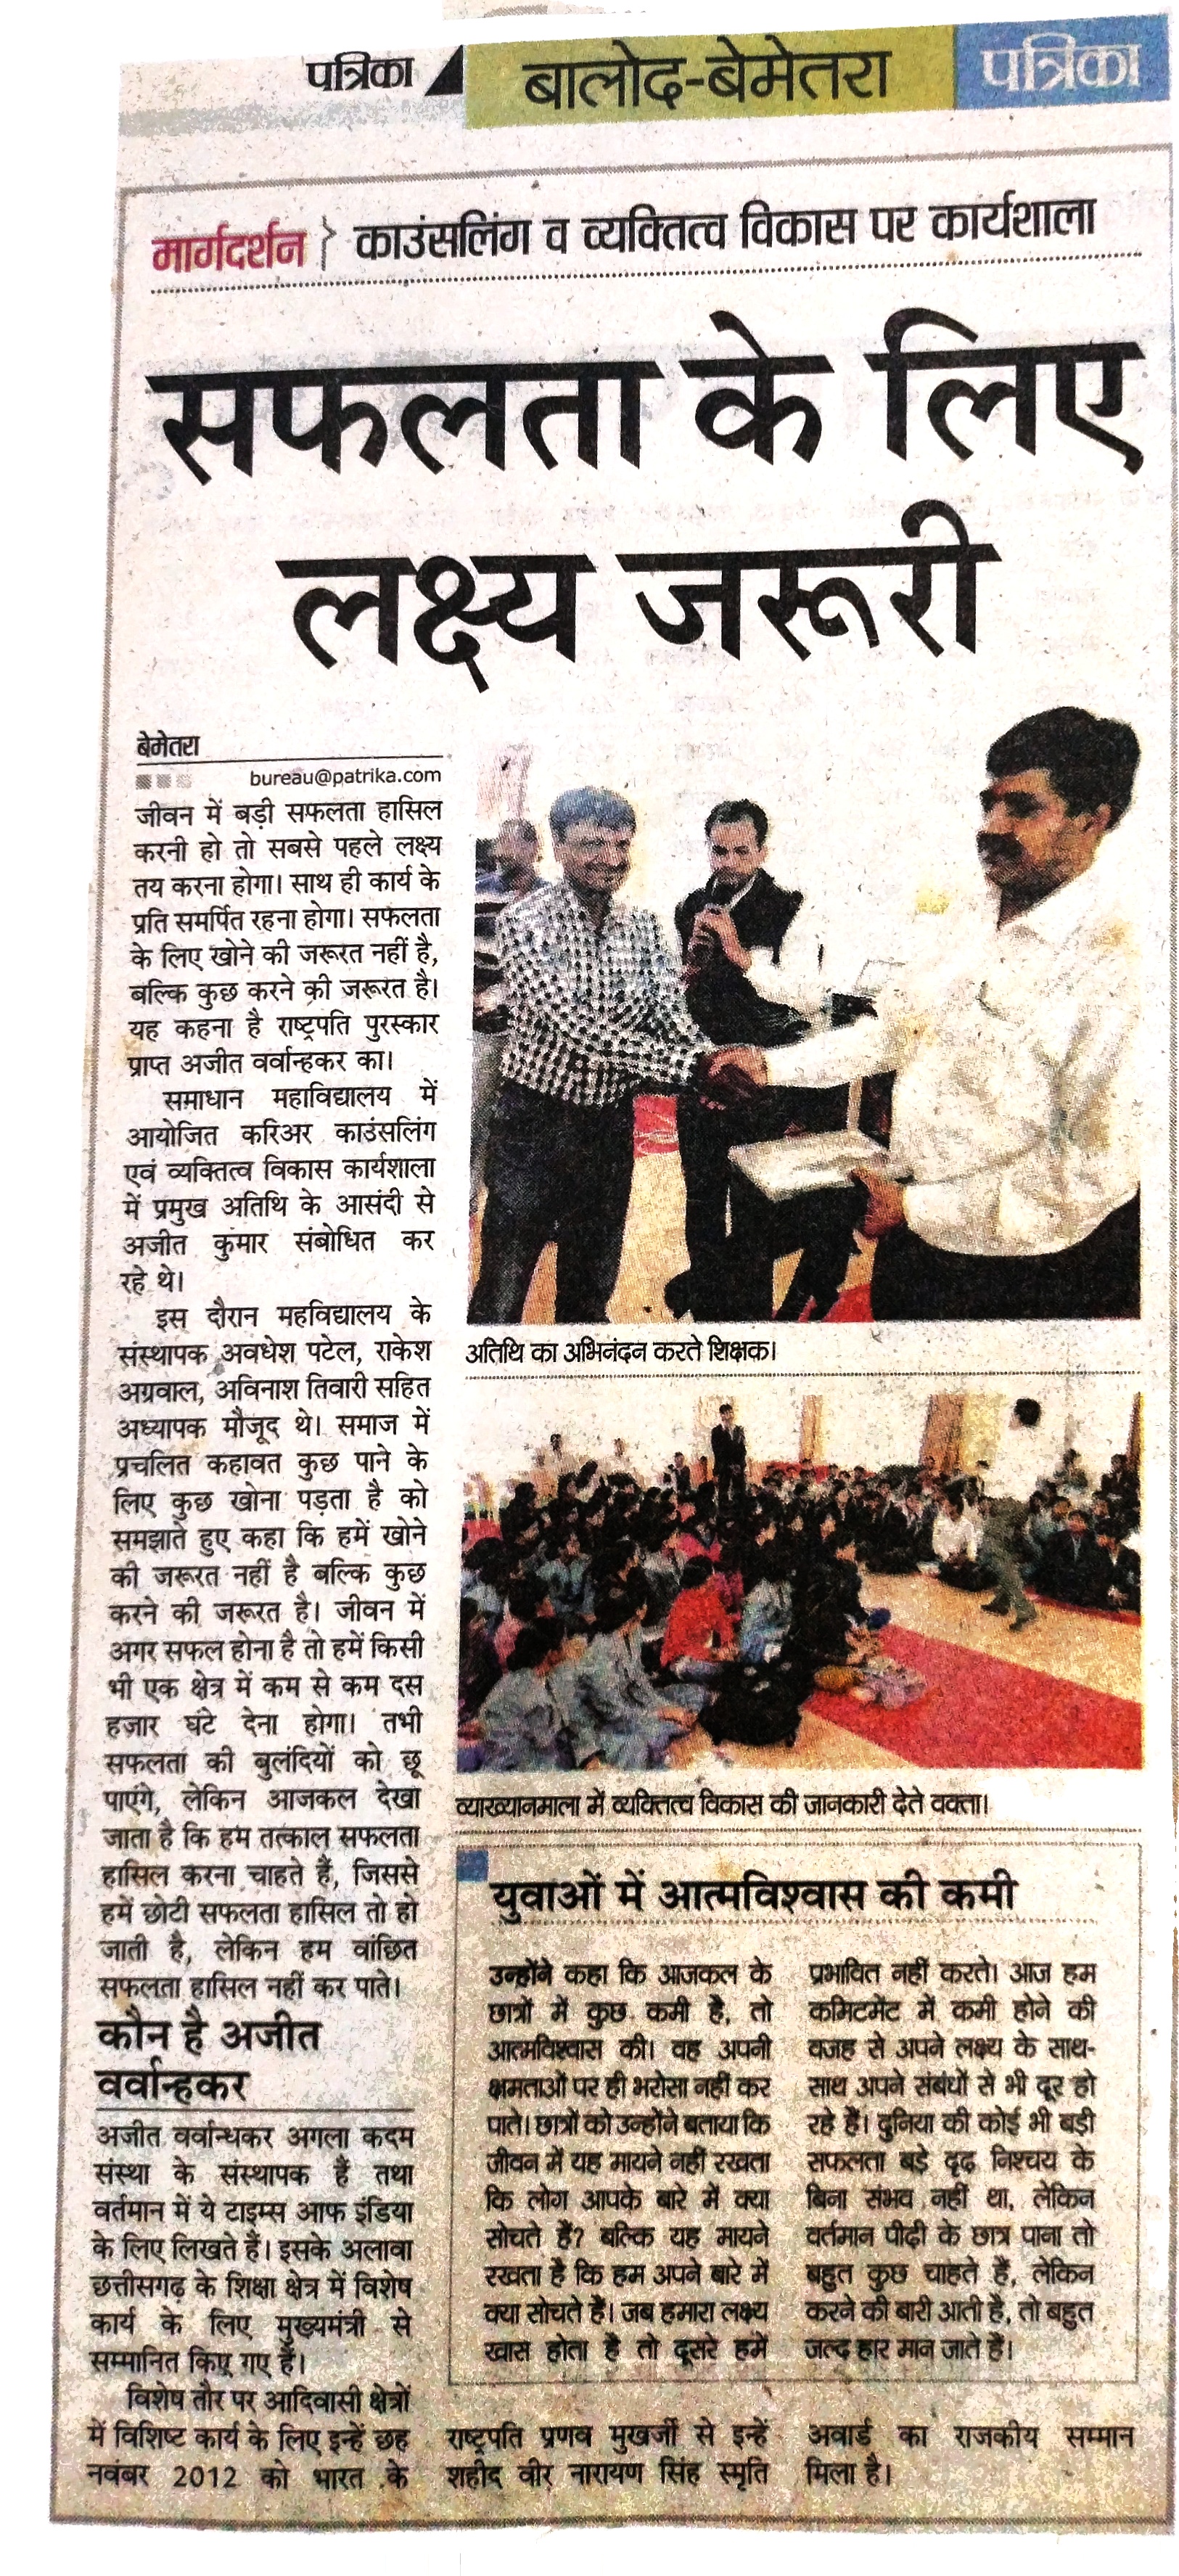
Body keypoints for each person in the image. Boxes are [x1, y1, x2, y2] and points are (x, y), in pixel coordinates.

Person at [704, 709, 1142, 1320]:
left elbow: (1094, 1170)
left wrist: (915, 1209)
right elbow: (892, 1030)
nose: (991, 827)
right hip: (913, 1231)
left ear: (1091, 820)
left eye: (1022, 808)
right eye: (989, 804)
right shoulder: (971, 912)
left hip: (1033, 1270)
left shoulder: (1121, 958)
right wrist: (769, 1066)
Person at [469, 787, 726, 1324]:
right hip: (534, 1127)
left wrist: (711, 1060)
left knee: (589, 1294)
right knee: (501, 1295)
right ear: (559, 847)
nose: (610, 859)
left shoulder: (645, 926)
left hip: (608, 1130)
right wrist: (694, 1070)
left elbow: (670, 1014)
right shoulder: (524, 922)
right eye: (592, 844)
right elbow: (577, 1031)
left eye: (620, 844)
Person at [665, 799, 841, 1318]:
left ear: (762, 852)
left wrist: (740, 955)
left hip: (760, 1083)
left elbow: (808, 997)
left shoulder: (792, 907)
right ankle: (706, 1310)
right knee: (700, 1202)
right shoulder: (689, 907)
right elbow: (680, 997)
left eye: (741, 851)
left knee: (752, 1209)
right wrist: (687, 970)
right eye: (719, 851)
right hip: (701, 1077)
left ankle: (748, 1323)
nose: (728, 862)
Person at [470, 819, 541, 1211]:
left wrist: (503, 994)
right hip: (484, 1028)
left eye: (513, 845)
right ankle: (467, 1199)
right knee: (476, 1114)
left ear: (534, 849)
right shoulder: (478, 892)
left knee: (524, 1123)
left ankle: (522, 1207)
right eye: (501, 845)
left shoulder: (550, 899)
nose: (504, 853)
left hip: (531, 1034)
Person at [711, 1401, 747, 1506]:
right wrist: (729, 1466)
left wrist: (740, 1466)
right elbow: (718, 1452)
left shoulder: (739, 1430)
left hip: (738, 1469)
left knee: (740, 1496)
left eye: (731, 1413)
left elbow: (743, 1450)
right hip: (724, 1469)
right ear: (722, 1415)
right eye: (727, 1413)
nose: (730, 1416)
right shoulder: (717, 1431)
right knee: (724, 1496)